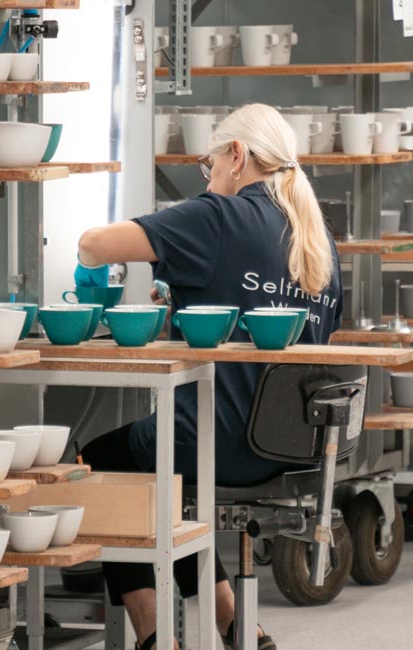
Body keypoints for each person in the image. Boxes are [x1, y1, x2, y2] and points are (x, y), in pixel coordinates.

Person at [73, 103, 341, 650]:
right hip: (295, 446)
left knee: (102, 464)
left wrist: (85, 270)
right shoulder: (317, 239)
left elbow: (94, 244)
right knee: (163, 479)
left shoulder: (217, 216)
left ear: (237, 156)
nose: (209, 177)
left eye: (210, 164)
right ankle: (236, 625)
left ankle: (154, 636)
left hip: (218, 440)